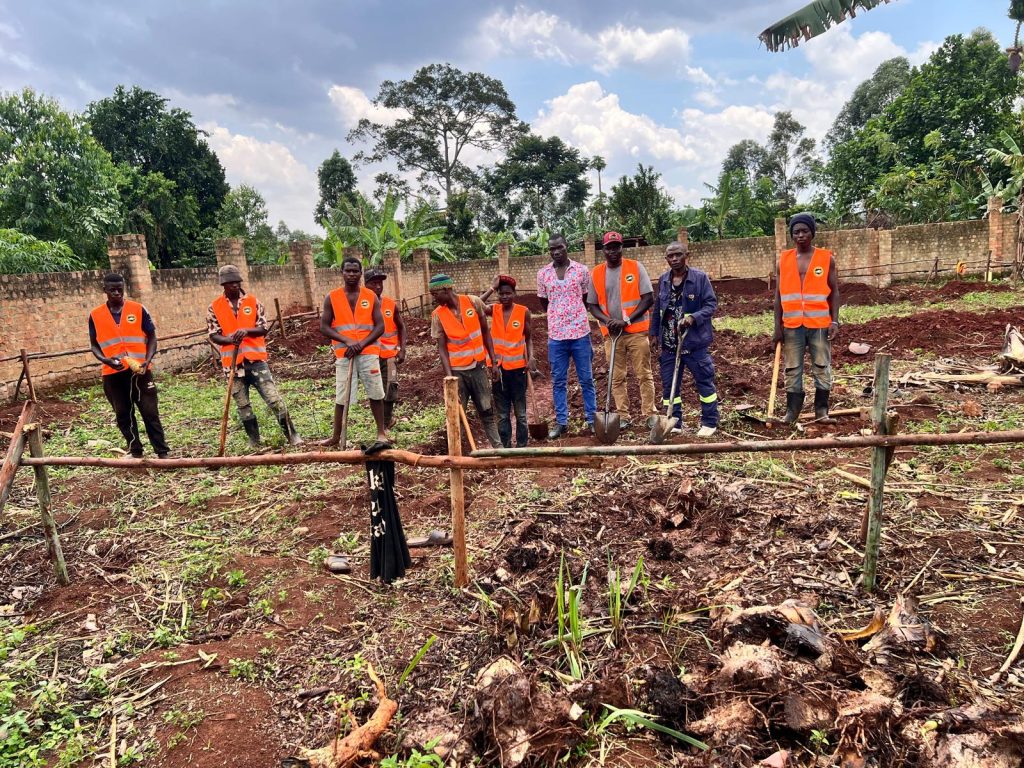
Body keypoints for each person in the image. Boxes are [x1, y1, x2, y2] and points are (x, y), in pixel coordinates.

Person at [207, 264, 302, 449]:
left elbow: (263, 328)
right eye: (230, 283)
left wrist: (246, 331)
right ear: (223, 285)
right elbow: (213, 334)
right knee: (243, 405)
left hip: (256, 362)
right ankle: (254, 440)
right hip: (232, 365)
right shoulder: (214, 307)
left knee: (273, 399)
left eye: (237, 282)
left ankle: (292, 435)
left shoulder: (253, 302)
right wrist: (228, 340)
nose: (234, 286)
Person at [88, 273, 169, 458]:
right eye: (112, 290)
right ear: (105, 291)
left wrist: (147, 360)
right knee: (123, 414)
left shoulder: (138, 309)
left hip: (141, 371)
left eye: (120, 289)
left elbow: (152, 338)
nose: (117, 293)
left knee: (150, 412)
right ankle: (136, 451)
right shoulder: (95, 315)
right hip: (112, 373)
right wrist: (104, 359)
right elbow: (94, 344)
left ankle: (162, 452)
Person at [773, 212, 841, 424]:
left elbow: (835, 292)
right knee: (792, 368)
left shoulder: (825, 258)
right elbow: (778, 295)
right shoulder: (783, 260)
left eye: (804, 231)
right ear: (792, 236)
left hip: (819, 324)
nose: (800, 235)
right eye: (796, 232)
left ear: (812, 233)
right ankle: (792, 413)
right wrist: (777, 326)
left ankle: (821, 411)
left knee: (821, 366)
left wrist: (834, 321)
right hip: (792, 325)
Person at [587, 231, 658, 429]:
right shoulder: (597, 273)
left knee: (644, 374)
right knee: (616, 377)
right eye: (609, 247)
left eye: (616, 246)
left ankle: (650, 414)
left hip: (636, 332)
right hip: (612, 335)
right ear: (603, 250)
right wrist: (608, 320)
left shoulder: (635, 267)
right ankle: (622, 415)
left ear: (621, 248)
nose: (613, 251)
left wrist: (626, 320)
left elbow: (648, 298)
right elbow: (592, 305)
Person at [650, 242, 720, 438]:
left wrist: (693, 318)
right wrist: (654, 333)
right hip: (670, 344)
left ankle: (709, 421)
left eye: (678, 255)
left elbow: (711, 304)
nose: (674, 259)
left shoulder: (699, 278)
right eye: (670, 256)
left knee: (704, 382)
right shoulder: (664, 280)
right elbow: (658, 309)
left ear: (686, 255)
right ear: (666, 259)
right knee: (669, 384)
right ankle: (675, 420)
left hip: (693, 343)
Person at [320, 257, 390, 451]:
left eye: (355, 271)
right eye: (348, 271)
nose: (351, 274)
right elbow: (324, 327)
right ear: (342, 273)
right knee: (342, 395)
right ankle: (336, 436)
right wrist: (347, 341)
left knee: (376, 392)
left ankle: (381, 432)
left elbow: (380, 326)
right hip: (345, 354)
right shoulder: (331, 297)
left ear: (360, 273)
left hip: (368, 352)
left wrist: (360, 344)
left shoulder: (370, 296)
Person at [429, 273, 502, 448]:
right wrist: (450, 379)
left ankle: (498, 448)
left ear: (446, 290)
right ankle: (457, 454)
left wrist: (493, 361)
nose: (434, 299)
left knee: (486, 409)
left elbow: (486, 333)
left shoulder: (473, 302)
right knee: (456, 415)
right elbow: (442, 349)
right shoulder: (438, 315)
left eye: (435, 294)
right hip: (457, 372)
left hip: (477, 368)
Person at [536, 233, 596, 438]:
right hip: (556, 336)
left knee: (586, 379)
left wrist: (573, 314)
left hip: (580, 333)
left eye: (559, 247)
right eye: (551, 249)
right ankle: (561, 422)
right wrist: (559, 314)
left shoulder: (581, 270)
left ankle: (592, 420)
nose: (555, 252)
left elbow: (586, 297)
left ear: (566, 246)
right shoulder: (543, 274)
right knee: (558, 381)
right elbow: (544, 302)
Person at [480, 274, 540, 448]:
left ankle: (522, 446)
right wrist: (491, 287)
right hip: (498, 370)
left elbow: (528, 338)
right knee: (503, 414)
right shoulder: (494, 310)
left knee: (520, 413)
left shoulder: (523, 312)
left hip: (518, 370)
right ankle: (505, 447)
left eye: (508, 293)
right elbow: (475, 305)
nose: (504, 296)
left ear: (514, 293)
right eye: (501, 293)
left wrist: (531, 358)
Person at [363, 268, 406, 429]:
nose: (378, 286)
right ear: (365, 285)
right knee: (376, 391)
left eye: (380, 283)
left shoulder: (390, 304)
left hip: (389, 355)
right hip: (369, 355)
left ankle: (386, 424)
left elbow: (401, 326)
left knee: (390, 389)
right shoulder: (361, 306)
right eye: (374, 283)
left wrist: (402, 349)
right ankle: (382, 423)